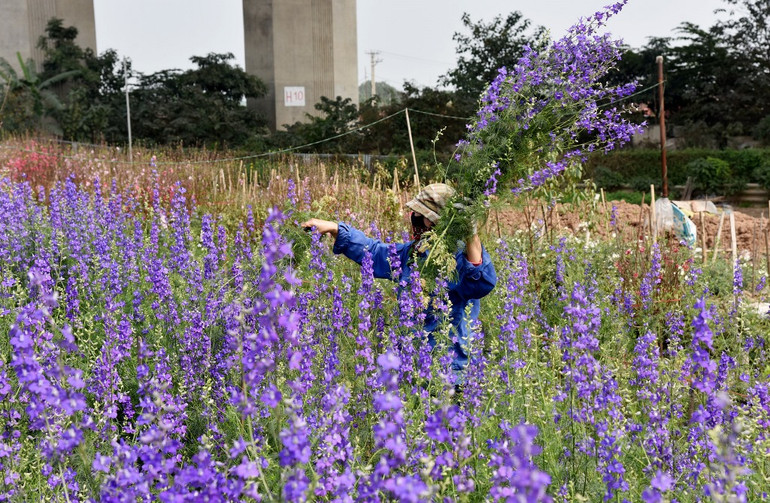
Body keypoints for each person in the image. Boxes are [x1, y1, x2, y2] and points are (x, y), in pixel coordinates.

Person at [301, 183, 497, 385]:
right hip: (411, 368)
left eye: (421, 215)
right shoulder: (414, 253)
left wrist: (471, 233)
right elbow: (376, 253)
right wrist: (335, 228)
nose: (415, 220)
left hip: (449, 374)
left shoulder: (459, 256)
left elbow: (482, 282)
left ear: (434, 221)